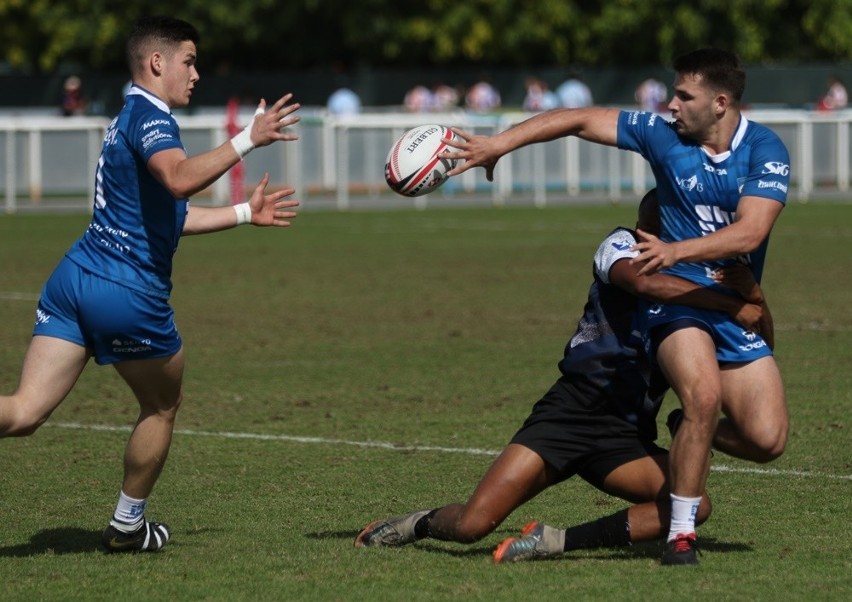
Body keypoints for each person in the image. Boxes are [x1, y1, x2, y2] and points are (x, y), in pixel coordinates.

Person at [442, 48, 790, 565]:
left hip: (726, 299)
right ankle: (679, 538)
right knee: (702, 395)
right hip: (677, 304)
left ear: (720, 103)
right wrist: (500, 144)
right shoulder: (662, 136)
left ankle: (684, 433)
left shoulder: (765, 148)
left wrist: (681, 251)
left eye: (683, 95)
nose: (670, 104)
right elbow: (577, 119)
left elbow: (752, 230)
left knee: (767, 439)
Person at [0, 16, 301, 553]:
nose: (196, 73)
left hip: (74, 278)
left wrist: (240, 213)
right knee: (163, 405)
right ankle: (127, 525)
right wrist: (248, 139)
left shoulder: (127, 117)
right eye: (189, 60)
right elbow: (180, 177)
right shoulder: (150, 117)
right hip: (127, 293)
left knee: (23, 413)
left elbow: (169, 215)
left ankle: (127, 524)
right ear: (157, 63)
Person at [356, 190, 771, 562]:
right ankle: (419, 523)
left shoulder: (698, 285)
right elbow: (642, 284)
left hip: (623, 436)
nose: (658, 240)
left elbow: (758, 343)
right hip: (567, 415)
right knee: (471, 526)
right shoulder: (619, 244)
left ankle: (555, 541)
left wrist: (752, 295)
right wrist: (725, 302)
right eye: (658, 231)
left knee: (694, 506)